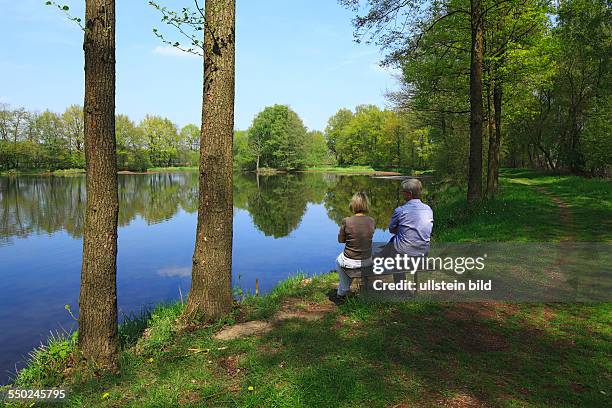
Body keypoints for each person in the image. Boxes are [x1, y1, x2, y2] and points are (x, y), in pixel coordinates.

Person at [381, 178, 433, 283]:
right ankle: (381, 255)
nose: (402, 194)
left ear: (409, 194)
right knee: (396, 241)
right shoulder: (428, 209)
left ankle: (401, 291)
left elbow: (391, 229)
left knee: (395, 246)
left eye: (403, 192)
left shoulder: (400, 210)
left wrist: (402, 231)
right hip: (423, 252)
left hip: (405, 254)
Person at [334, 192, 375, 300]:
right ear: (366, 205)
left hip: (350, 261)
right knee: (348, 261)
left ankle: (344, 289)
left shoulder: (346, 221)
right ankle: (343, 290)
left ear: (353, 204)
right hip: (367, 261)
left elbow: (340, 240)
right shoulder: (371, 221)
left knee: (339, 261)